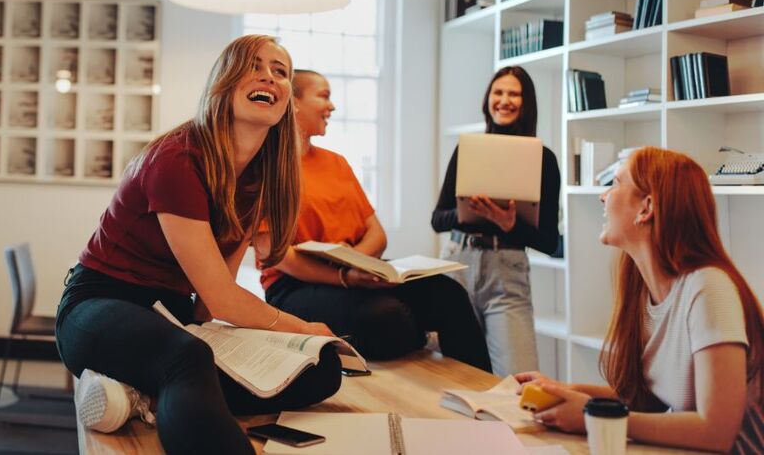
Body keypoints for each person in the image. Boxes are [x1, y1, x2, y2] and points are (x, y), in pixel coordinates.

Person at [55, 35, 342, 455]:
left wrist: (281, 346)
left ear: (286, 105)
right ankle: (160, 390)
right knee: (188, 358)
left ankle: (140, 397)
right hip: (98, 303)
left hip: (172, 315)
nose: (268, 76)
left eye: (280, 71)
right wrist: (302, 327)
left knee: (321, 368)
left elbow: (207, 308)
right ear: (224, 83)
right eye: (253, 66)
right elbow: (223, 299)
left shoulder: (259, 178)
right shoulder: (177, 159)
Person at [514, 147, 764, 453]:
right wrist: (564, 390)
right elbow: (647, 399)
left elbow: (716, 431)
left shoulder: (709, 288)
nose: (603, 196)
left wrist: (593, 415)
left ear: (646, 208)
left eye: (616, 183)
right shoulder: (644, 289)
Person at [254, 69, 491, 370]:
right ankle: (415, 334)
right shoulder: (265, 167)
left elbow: (376, 234)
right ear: (294, 103)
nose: (332, 106)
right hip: (294, 286)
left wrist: (354, 263)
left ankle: (485, 398)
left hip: (355, 272)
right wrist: (343, 276)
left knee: (449, 292)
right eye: (324, 96)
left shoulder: (336, 163)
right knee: (385, 317)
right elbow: (278, 256)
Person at [431, 66, 561, 376]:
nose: (504, 100)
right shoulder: (467, 150)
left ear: (527, 102)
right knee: (452, 374)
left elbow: (549, 241)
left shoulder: (544, 159)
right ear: (488, 99)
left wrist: (509, 224)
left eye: (514, 93)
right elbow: (438, 219)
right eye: (498, 92)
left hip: (507, 272)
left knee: (518, 380)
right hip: (457, 265)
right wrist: (469, 213)